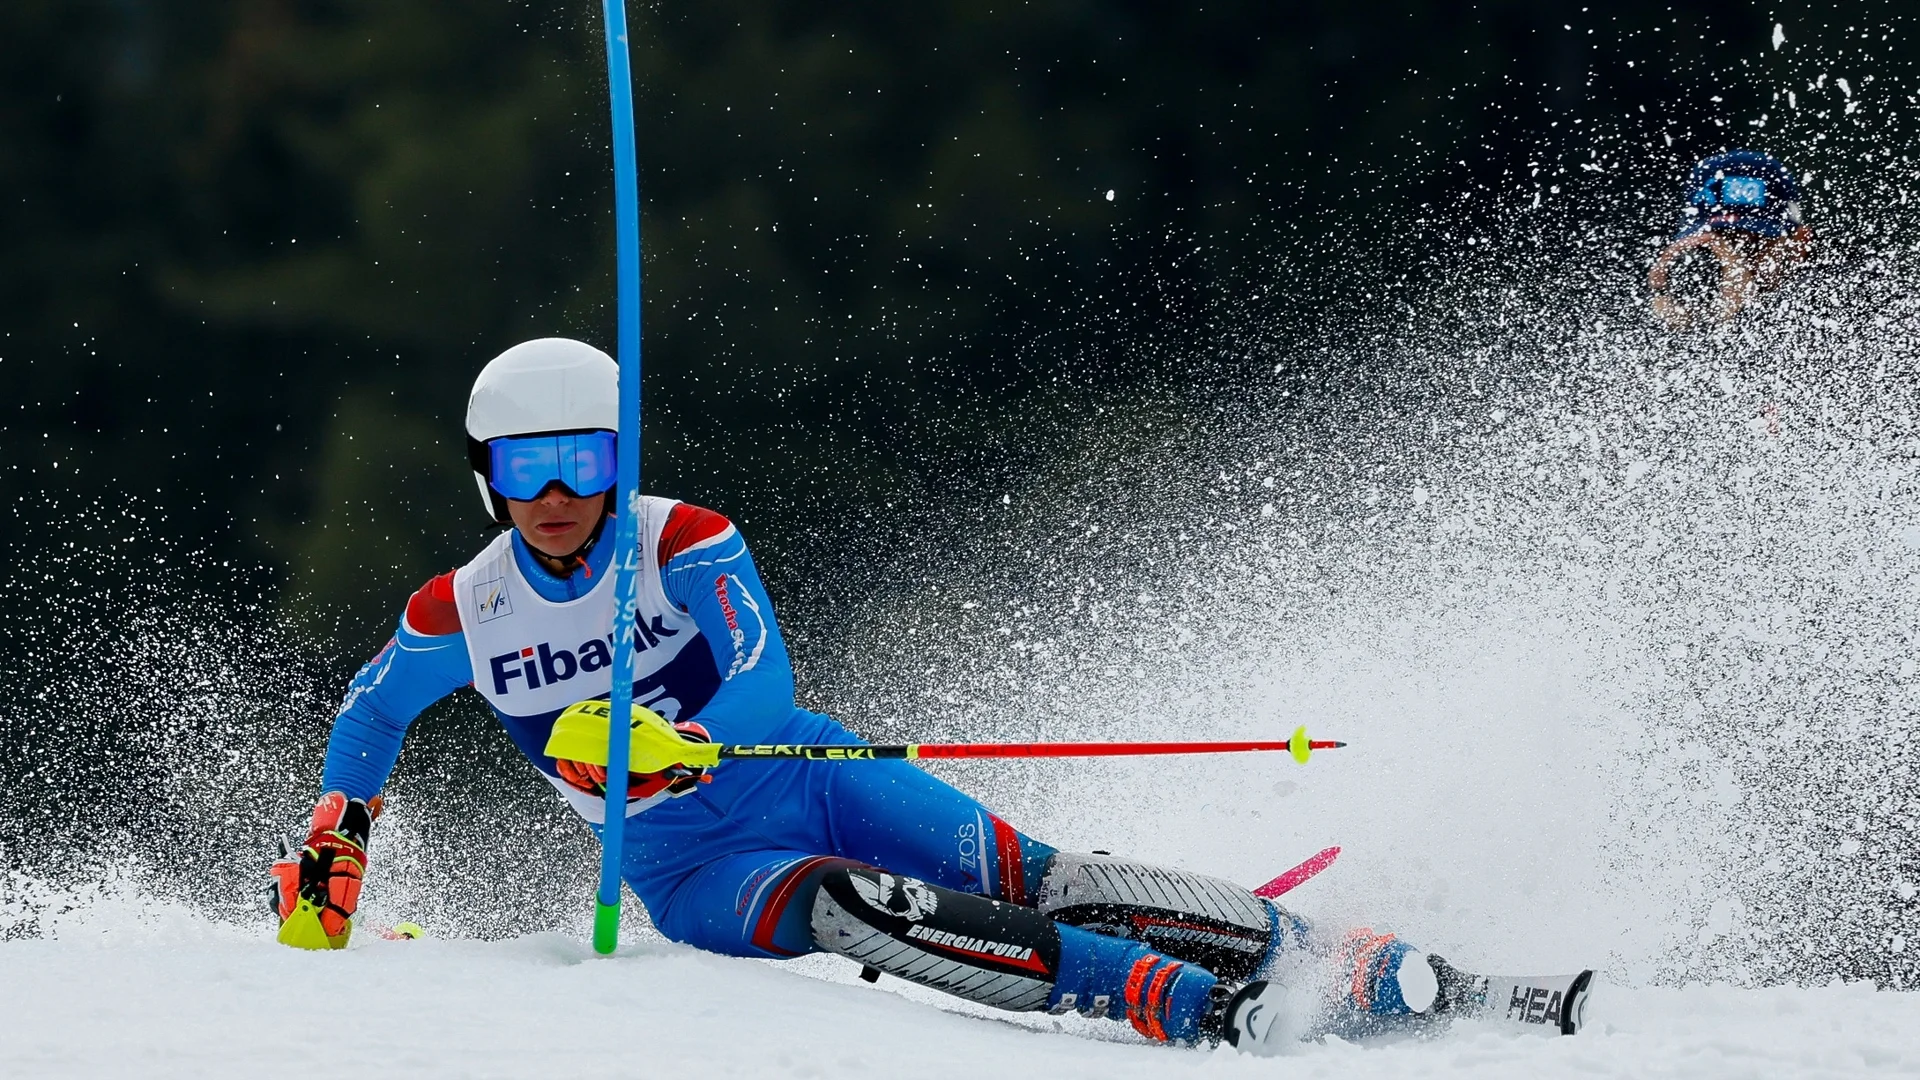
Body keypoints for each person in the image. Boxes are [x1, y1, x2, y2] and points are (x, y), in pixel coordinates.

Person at [269, 337, 1592, 1053]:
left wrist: (667, 735)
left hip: (811, 770)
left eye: (586, 459)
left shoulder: (683, 541)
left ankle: (1346, 961)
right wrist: (340, 843)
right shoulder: (465, 610)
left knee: (1037, 873)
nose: (560, 494)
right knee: (849, 913)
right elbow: (372, 717)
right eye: (529, 466)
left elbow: (762, 677)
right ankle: (1171, 1005)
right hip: (688, 870)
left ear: (621, 461)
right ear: (484, 475)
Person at [1649, 150, 1814, 330]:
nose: (1726, 263)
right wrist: (1663, 301)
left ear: (1800, 244)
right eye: (1707, 249)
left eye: (1749, 246)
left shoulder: (1834, 307)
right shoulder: (1632, 312)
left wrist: (1734, 313)